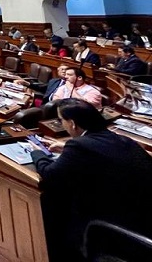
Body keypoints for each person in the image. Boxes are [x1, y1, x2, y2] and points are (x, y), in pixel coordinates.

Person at [30, 99, 152, 261]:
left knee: (55, 211)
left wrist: (38, 153)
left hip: (115, 226)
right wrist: (66, 147)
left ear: (72, 124)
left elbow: (51, 174)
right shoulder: (121, 139)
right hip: (144, 216)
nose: (62, 124)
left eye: (61, 121)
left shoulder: (79, 147)